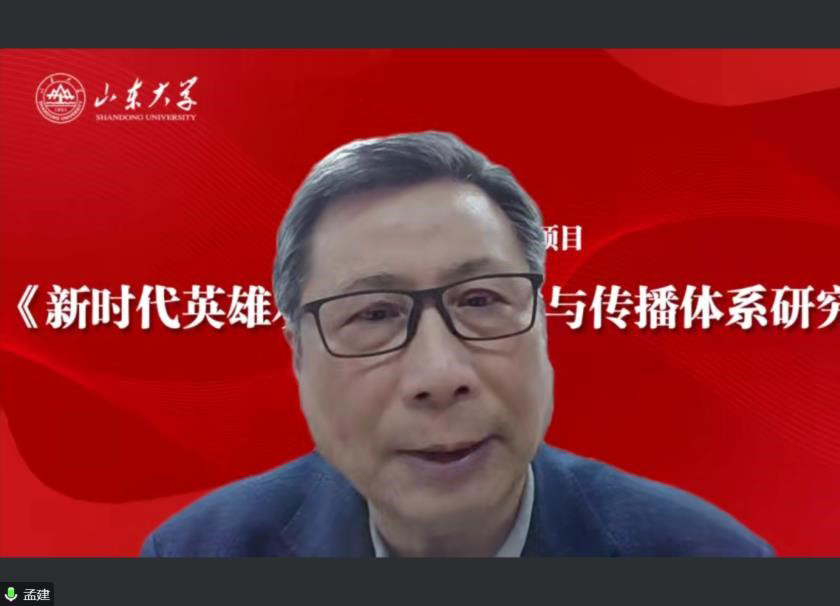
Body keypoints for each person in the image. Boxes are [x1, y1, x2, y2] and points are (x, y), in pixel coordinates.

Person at [140, 131, 773, 557]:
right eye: (375, 314)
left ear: (542, 326)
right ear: (298, 356)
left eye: (480, 301)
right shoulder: (200, 555)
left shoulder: (707, 558)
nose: (440, 375)